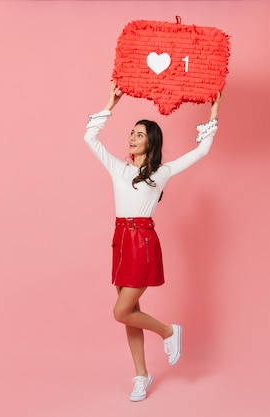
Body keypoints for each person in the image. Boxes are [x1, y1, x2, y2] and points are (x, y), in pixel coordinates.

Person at [84, 82, 222, 402]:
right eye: (132, 133)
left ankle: (169, 331)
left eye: (140, 134)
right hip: (120, 240)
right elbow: (89, 138)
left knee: (122, 311)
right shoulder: (117, 168)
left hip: (142, 242)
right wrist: (110, 103)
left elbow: (202, 151)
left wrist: (214, 111)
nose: (132, 138)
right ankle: (141, 377)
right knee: (131, 311)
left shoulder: (160, 173)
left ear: (151, 142)